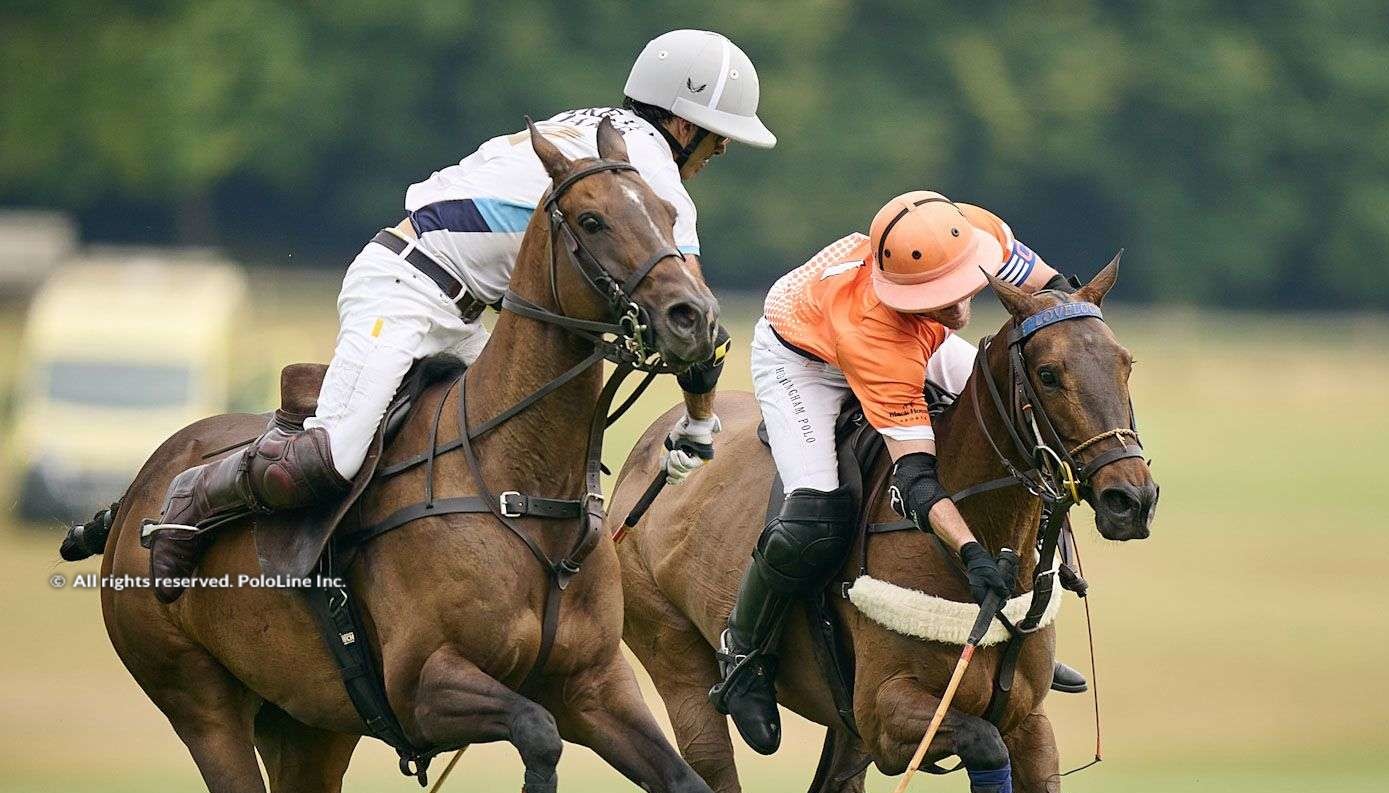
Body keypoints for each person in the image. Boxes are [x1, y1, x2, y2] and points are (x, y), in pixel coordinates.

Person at [147, 28, 767, 600]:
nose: (718, 152)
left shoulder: (603, 130)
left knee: (540, 442)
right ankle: (194, 496)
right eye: (719, 138)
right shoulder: (647, 174)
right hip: (406, 284)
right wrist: (699, 420)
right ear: (684, 124)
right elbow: (697, 318)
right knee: (336, 453)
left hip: (472, 313)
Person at [706, 192, 1086, 754]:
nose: (959, 309)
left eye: (962, 291)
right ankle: (743, 651)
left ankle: (1018, 625)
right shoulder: (877, 337)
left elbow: (1057, 299)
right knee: (812, 517)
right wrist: (970, 554)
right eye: (940, 299)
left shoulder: (977, 232)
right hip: (806, 358)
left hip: (911, 334)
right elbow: (915, 477)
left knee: (1017, 433)